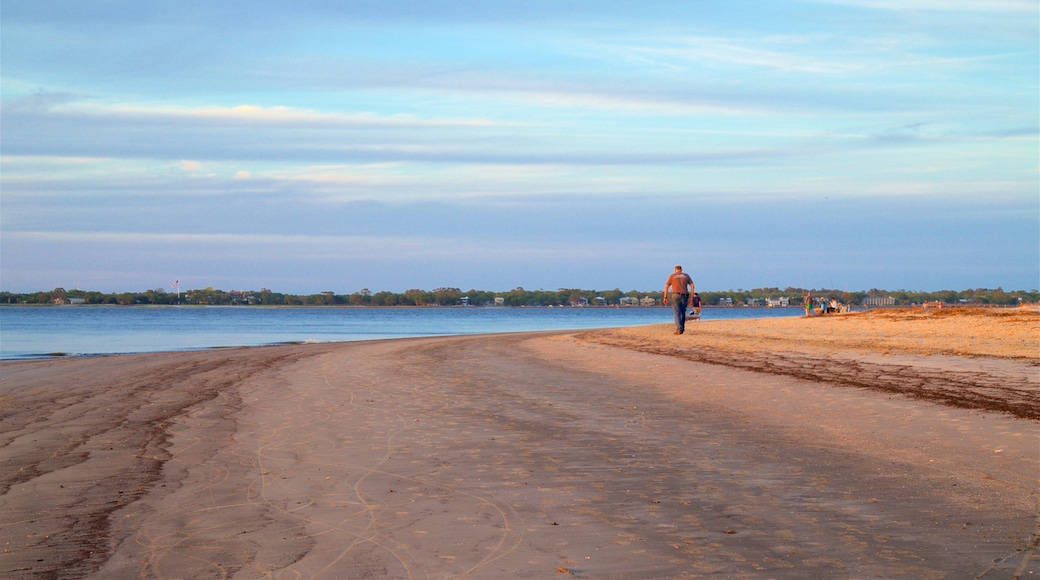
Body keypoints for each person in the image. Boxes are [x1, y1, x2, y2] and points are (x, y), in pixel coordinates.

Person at [663, 265, 695, 334]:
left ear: (675, 269)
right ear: (681, 270)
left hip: (675, 295)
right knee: (683, 312)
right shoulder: (686, 276)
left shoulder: (672, 276)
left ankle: (679, 328)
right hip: (684, 295)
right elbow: (692, 286)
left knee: (677, 312)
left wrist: (665, 297)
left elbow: (666, 286)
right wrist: (691, 297)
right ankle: (682, 328)